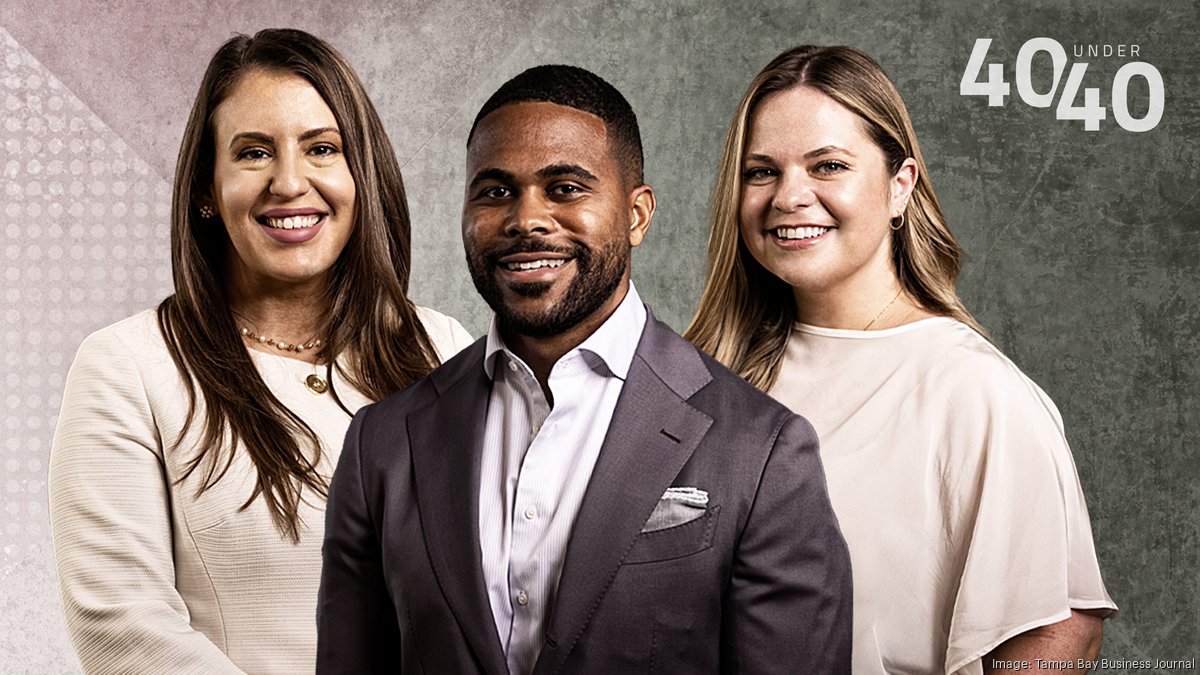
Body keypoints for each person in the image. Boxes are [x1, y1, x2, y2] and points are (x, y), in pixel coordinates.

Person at [316, 64, 852, 674]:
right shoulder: (382, 444)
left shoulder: (760, 450)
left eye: (566, 188)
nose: (526, 219)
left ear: (637, 214)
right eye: (495, 191)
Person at [47, 29, 472, 674]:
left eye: (323, 149)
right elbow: (126, 632)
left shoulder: (442, 348)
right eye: (253, 153)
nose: (290, 182)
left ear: (364, 175)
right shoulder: (128, 368)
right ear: (205, 191)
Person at [685, 45, 1118, 674]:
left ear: (900, 187)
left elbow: (1057, 638)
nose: (789, 196)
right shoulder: (703, 379)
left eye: (827, 165)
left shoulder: (974, 390)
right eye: (761, 172)